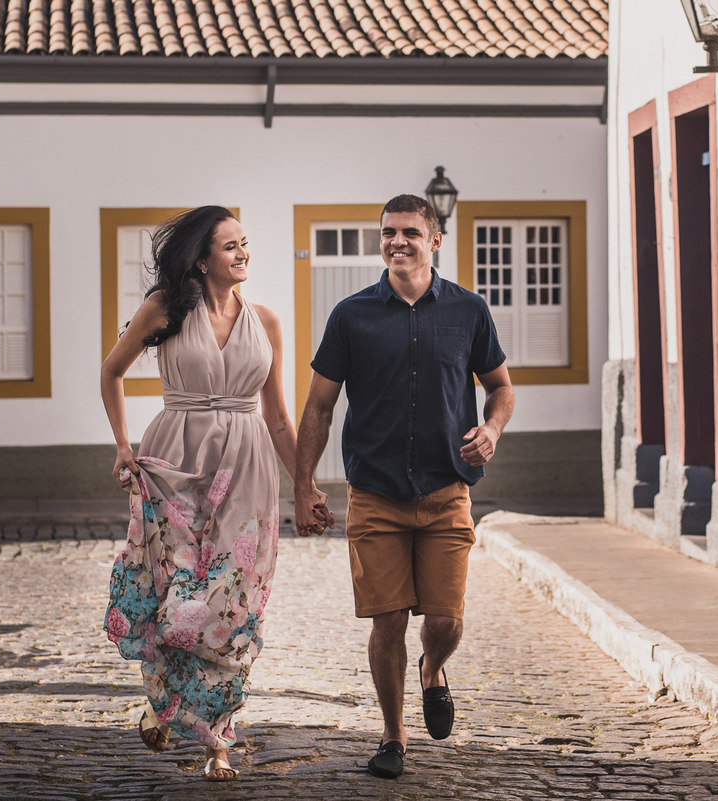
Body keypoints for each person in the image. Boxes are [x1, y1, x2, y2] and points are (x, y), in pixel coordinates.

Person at [101, 205, 331, 781]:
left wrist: (304, 486)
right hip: (177, 462)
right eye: (230, 246)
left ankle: (217, 738)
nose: (243, 253)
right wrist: (123, 445)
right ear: (201, 261)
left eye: (244, 242)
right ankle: (165, 699)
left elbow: (278, 418)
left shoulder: (266, 322)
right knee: (175, 595)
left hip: (247, 471)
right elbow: (112, 372)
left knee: (231, 600)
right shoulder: (165, 310)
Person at [294, 194, 515, 779]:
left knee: (444, 622)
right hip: (376, 493)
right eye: (389, 232)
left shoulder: (469, 310)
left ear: (434, 240)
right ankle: (394, 734)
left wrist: (492, 429)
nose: (398, 241)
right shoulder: (351, 315)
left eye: (410, 232)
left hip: (446, 490)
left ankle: (432, 668)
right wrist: (303, 485)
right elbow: (319, 407)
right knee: (388, 620)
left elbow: (500, 387)